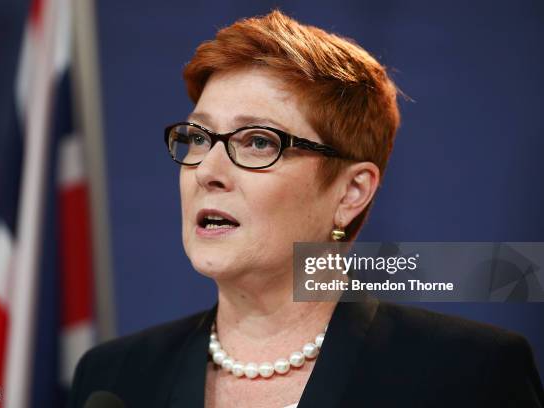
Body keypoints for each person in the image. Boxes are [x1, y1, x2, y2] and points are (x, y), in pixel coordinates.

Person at [69, 10, 543, 408]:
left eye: (257, 141)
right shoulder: (114, 378)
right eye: (198, 138)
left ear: (351, 193)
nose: (207, 170)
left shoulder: (469, 375)